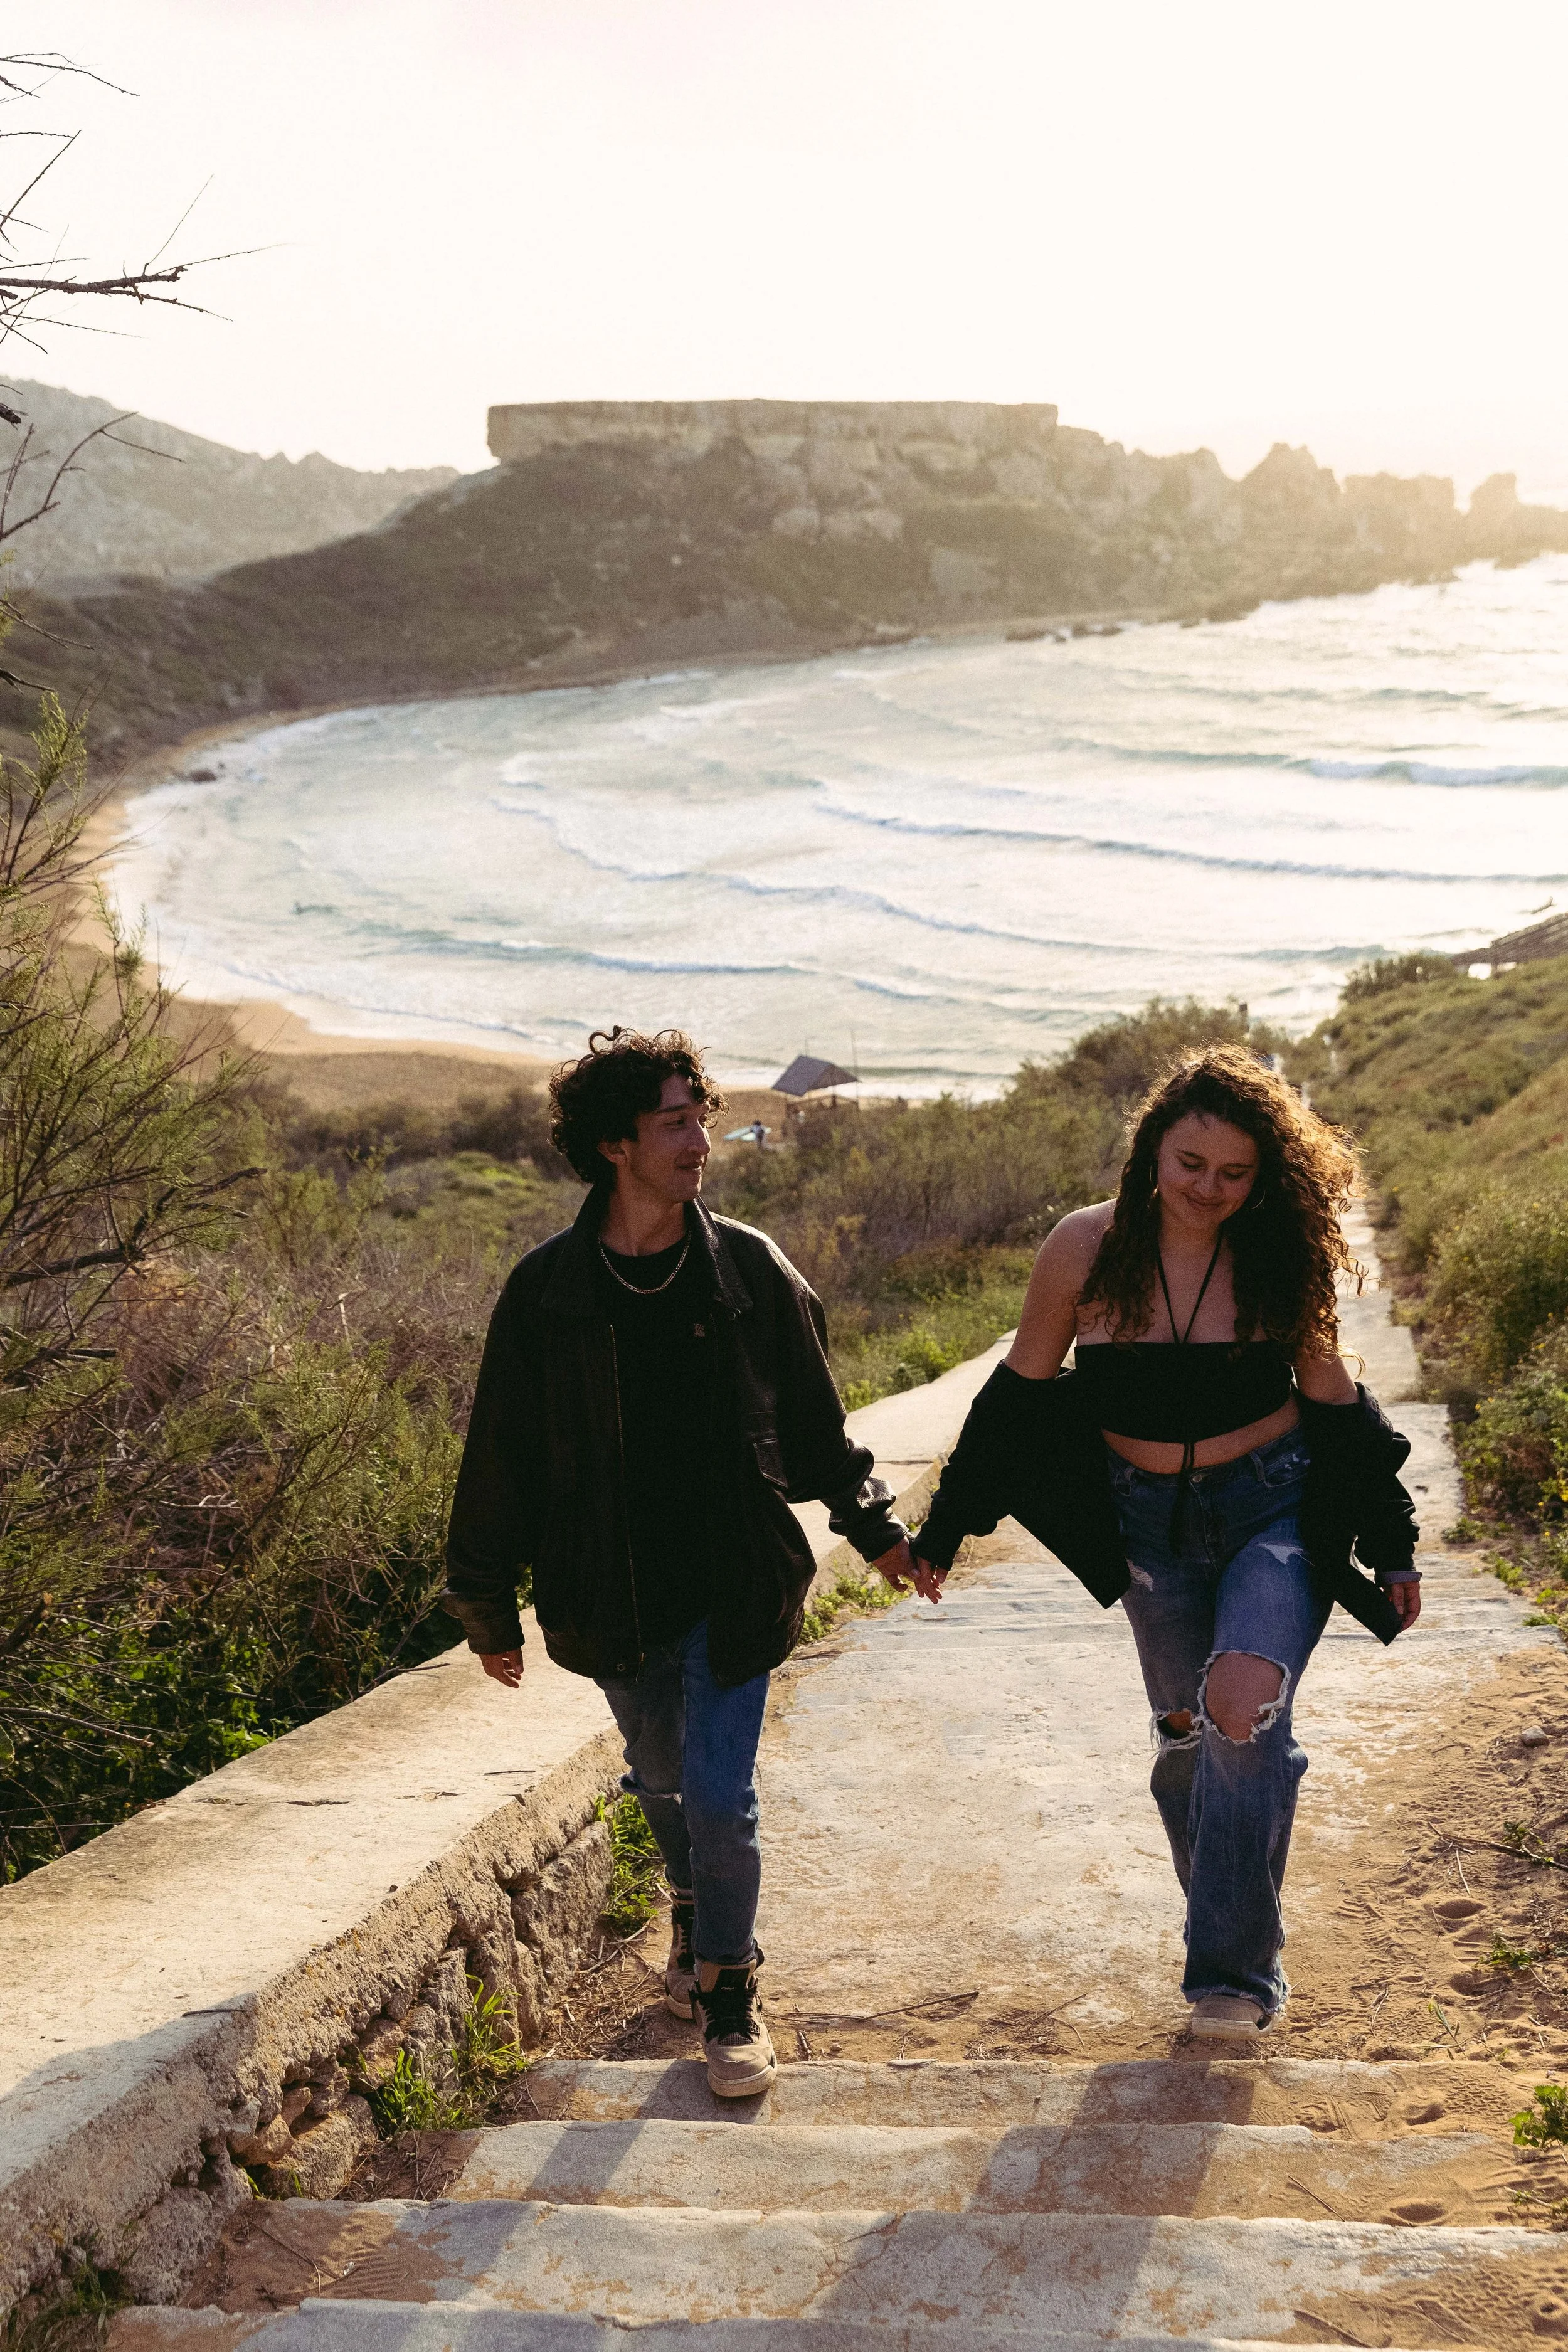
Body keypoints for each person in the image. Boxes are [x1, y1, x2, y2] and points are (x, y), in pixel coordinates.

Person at [882, 1047, 1422, 2041]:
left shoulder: (1276, 1252)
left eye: (1234, 1172)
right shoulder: (1084, 1249)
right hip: (1144, 1527)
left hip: (1275, 1509)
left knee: (1243, 1706)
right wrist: (947, 1529)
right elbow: (1015, 1399)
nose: (1209, 1190)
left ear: (1263, 1174)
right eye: (1190, 1165)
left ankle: (1231, 1974)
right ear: (1150, 1152)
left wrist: (1391, 1543)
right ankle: (1236, 1909)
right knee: (1191, 1734)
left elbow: (1336, 1401)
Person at [442, 1027, 911, 2095]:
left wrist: (872, 1525)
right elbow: (501, 1452)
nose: (701, 1139)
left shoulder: (748, 1267)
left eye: (701, 1117)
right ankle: (696, 1908)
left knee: (718, 1794)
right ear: (615, 1145)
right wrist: (485, 1601)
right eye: (676, 1123)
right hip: (609, 1587)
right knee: (661, 1781)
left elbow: (816, 1420)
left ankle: (731, 1990)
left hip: (734, 1573)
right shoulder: (548, 1291)